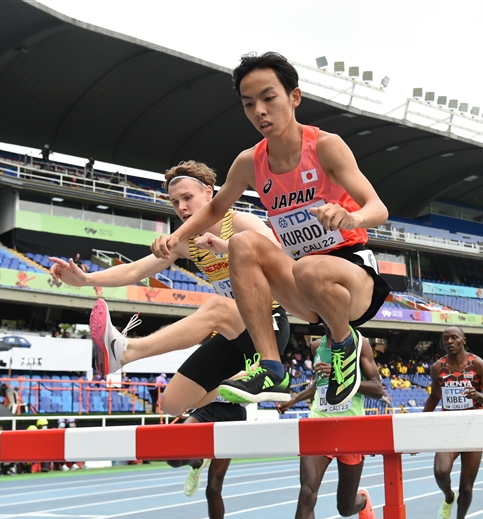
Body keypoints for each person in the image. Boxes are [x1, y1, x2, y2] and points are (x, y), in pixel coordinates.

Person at [151, 52, 391, 407]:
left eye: (268, 98)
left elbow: (378, 208)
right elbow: (216, 207)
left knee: (310, 266)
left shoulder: (326, 146)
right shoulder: (250, 162)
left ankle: (344, 344)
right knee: (244, 242)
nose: (259, 111)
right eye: (249, 104)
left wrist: (351, 217)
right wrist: (177, 236)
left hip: (352, 278)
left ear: (294, 97)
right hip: (302, 285)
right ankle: (271, 368)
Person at [49, 160, 291, 416]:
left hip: (269, 324)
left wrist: (226, 246)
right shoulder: (185, 242)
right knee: (173, 403)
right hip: (235, 331)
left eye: (187, 197)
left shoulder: (241, 222)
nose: (182, 207)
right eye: (175, 202)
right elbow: (135, 270)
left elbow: (280, 254)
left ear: (209, 192)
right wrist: (86, 279)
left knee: (216, 307)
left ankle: (127, 350)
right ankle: (235, 393)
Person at [276, 330, 382, 519]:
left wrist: (339, 375)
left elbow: (377, 389)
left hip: (350, 429)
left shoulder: (360, 343)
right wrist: (295, 399)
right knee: (307, 493)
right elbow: (319, 383)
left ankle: (362, 501)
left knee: (345, 507)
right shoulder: (317, 346)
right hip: (319, 425)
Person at [423, 326, 483, 519]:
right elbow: (434, 398)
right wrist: (420, 428)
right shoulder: (438, 367)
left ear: (463, 340)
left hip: (474, 428)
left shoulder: (477, 365)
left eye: (454, 337)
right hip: (449, 427)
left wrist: (479, 396)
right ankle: (449, 497)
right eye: (445, 338)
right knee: (441, 472)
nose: (449, 341)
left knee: (466, 487)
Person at [167, 399, 247, 519]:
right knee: (173, 457)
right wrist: (185, 401)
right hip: (205, 408)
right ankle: (196, 462)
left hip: (233, 413)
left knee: (213, 489)